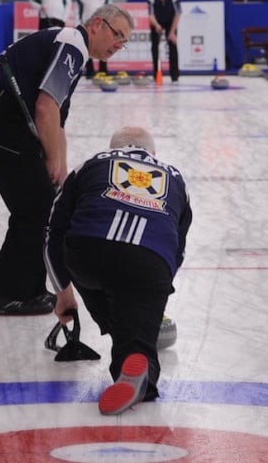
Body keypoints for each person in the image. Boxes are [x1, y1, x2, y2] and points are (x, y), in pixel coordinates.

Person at [0, 4, 134, 316]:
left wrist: (61, 169)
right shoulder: (73, 45)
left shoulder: (72, 49)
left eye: (125, 40)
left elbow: (57, 121)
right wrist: (52, 159)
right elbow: (45, 109)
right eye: (117, 34)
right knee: (35, 207)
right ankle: (6, 294)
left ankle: (29, 290)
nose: (119, 44)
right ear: (96, 25)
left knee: (44, 204)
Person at [46, 126, 192, 415]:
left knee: (110, 291)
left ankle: (124, 332)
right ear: (153, 154)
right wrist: (155, 299)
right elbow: (179, 249)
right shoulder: (176, 177)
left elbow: (53, 231)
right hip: (150, 259)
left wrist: (63, 294)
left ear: (112, 148)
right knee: (137, 329)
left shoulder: (90, 163)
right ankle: (137, 360)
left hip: (87, 253)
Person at [76, 0, 111, 77]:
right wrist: (79, 24)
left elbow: (109, 9)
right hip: (87, 25)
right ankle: (90, 71)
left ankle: (103, 71)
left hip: (101, 25)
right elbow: (78, 10)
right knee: (88, 47)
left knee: (104, 47)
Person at [147, 0, 181, 82]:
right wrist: (156, 25)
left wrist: (171, 32)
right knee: (154, 47)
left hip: (170, 21)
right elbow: (150, 15)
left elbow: (178, 14)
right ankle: (156, 74)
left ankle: (174, 76)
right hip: (156, 21)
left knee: (173, 46)